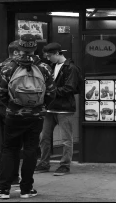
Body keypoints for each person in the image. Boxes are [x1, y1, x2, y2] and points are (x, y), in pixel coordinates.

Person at [0, 33, 55, 200]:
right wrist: (41, 106)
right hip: (36, 115)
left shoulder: (9, 67)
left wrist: (12, 107)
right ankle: (26, 189)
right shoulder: (44, 67)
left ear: (19, 47)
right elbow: (51, 92)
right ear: (35, 47)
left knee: (9, 149)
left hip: (14, 115)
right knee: (31, 150)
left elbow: (1, 93)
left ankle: (3, 189)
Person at [35, 43, 82, 177]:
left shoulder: (71, 68)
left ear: (57, 53)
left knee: (66, 139)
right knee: (44, 137)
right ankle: (44, 163)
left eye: (49, 56)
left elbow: (70, 88)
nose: (48, 58)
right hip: (51, 108)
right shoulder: (53, 66)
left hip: (64, 108)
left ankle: (65, 165)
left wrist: (50, 92)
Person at [0, 41, 23, 188]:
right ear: (15, 53)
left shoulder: (0, 66)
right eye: (23, 51)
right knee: (15, 145)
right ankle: (12, 178)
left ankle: (9, 177)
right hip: (13, 110)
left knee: (7, 145)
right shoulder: (14, 68)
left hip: (1, 110)